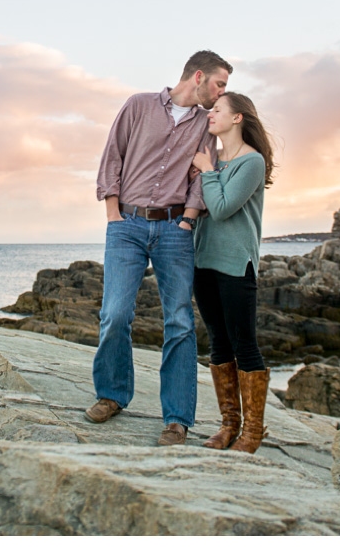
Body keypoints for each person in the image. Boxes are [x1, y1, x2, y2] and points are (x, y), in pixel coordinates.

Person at [88, 50, 232, 446]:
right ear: (198, 76)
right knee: (115, 314)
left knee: (180, 321)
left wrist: (187, 218)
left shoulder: (207, 124)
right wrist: (113, 213)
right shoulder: (139, 105)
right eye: (220, 84)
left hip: (175, 230)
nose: (222, 93)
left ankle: (176, 418)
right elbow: (112, 156)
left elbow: (206, 173)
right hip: (127, 226)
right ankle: (112, 395)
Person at [189, 91, 276, 454]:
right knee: (218, 344)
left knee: (245, 346)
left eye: (218, 109)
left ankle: (252, 432)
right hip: (202, 263)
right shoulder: (215, 158)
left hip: (236, 265)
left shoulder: (250, 162)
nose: (211, 114)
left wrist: (207, 173)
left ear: (238, 117)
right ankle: (228, 426)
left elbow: (223, 209)